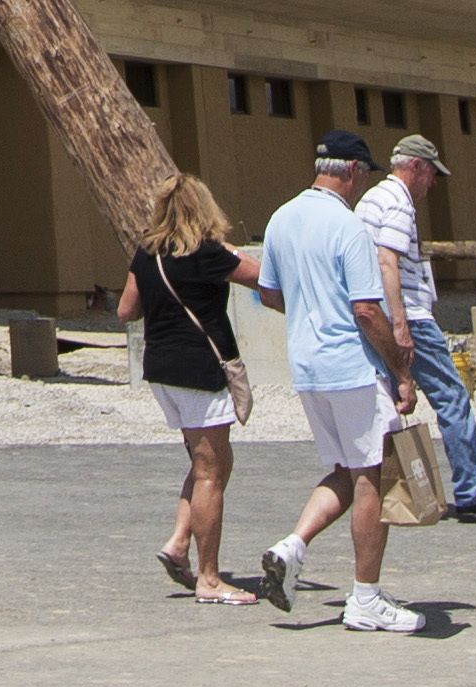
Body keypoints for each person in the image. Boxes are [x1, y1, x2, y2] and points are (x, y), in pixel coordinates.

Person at [245, 128, 429, 634]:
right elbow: (367, 311)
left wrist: (310, 303)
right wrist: (401, 371)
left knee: (345, 470)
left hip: (306, 367)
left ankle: (292, 546)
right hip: (349, 365)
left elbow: (269, 294)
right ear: (351, 170)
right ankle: (366, 598)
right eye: (362, 174)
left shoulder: (281, 218)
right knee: (373, 475)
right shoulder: (348, 227)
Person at [375, 134, 476, 522]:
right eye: (431, 174)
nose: (433, 183)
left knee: (389, 400)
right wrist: (401, 323)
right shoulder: (398, 205)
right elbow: (387, 261)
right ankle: (472, 492)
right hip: (408, 314)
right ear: (415, 167)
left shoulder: (371, 200)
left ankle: (380, 491)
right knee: (452, 398)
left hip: (374, 313)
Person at [125, 173, 258, 603]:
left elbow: (126, 311)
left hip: (161, 367)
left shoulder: (147, 254)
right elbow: (260, 277)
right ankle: (210, 578)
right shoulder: (208, 253)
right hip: (199, 369)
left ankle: (180, 542)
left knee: (208, 464)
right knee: (211, 473)